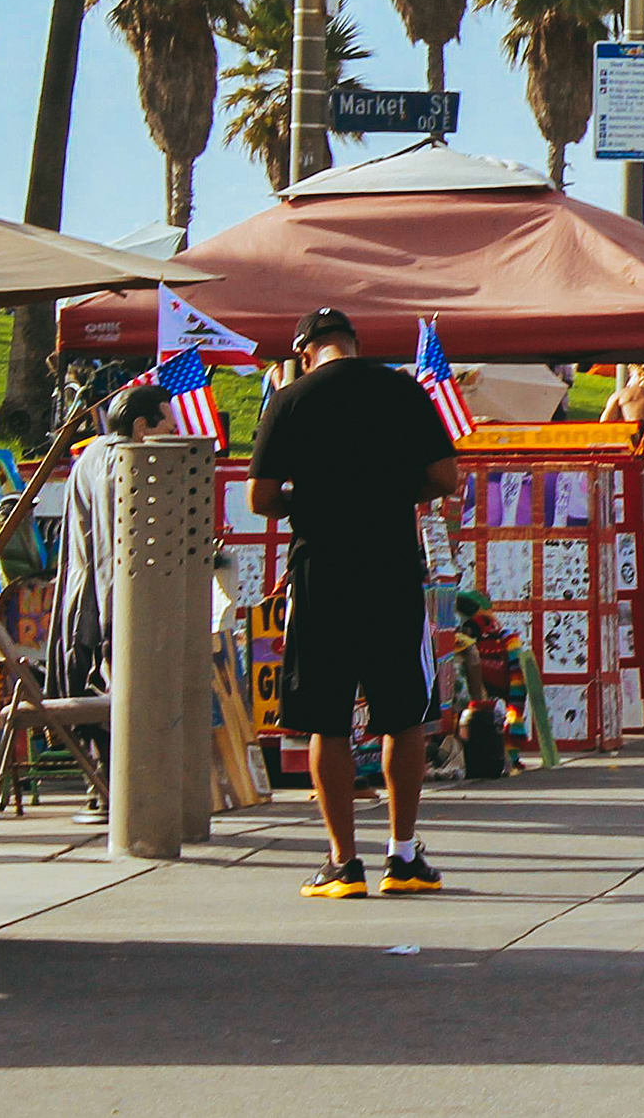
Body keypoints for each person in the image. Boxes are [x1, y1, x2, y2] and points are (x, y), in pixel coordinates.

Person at [247, 309, 464, 898]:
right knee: (405, 716)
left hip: (321, 572)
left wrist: (313, 498)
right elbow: (446, 477)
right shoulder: (402, 389)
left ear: (305, 350)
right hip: (391, 568)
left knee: (327, 719)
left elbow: (260, 497)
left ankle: (343, 864)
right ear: (355, 343)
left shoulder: (289, 401)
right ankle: (402, 855)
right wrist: (391, 493)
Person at [49, 378, 172, 703]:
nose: (173, 439)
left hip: (85, 614)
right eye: (169, 431)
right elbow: (114, 558)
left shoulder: (94, 452)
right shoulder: (119, 465)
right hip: (104, 626)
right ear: (142, 427)